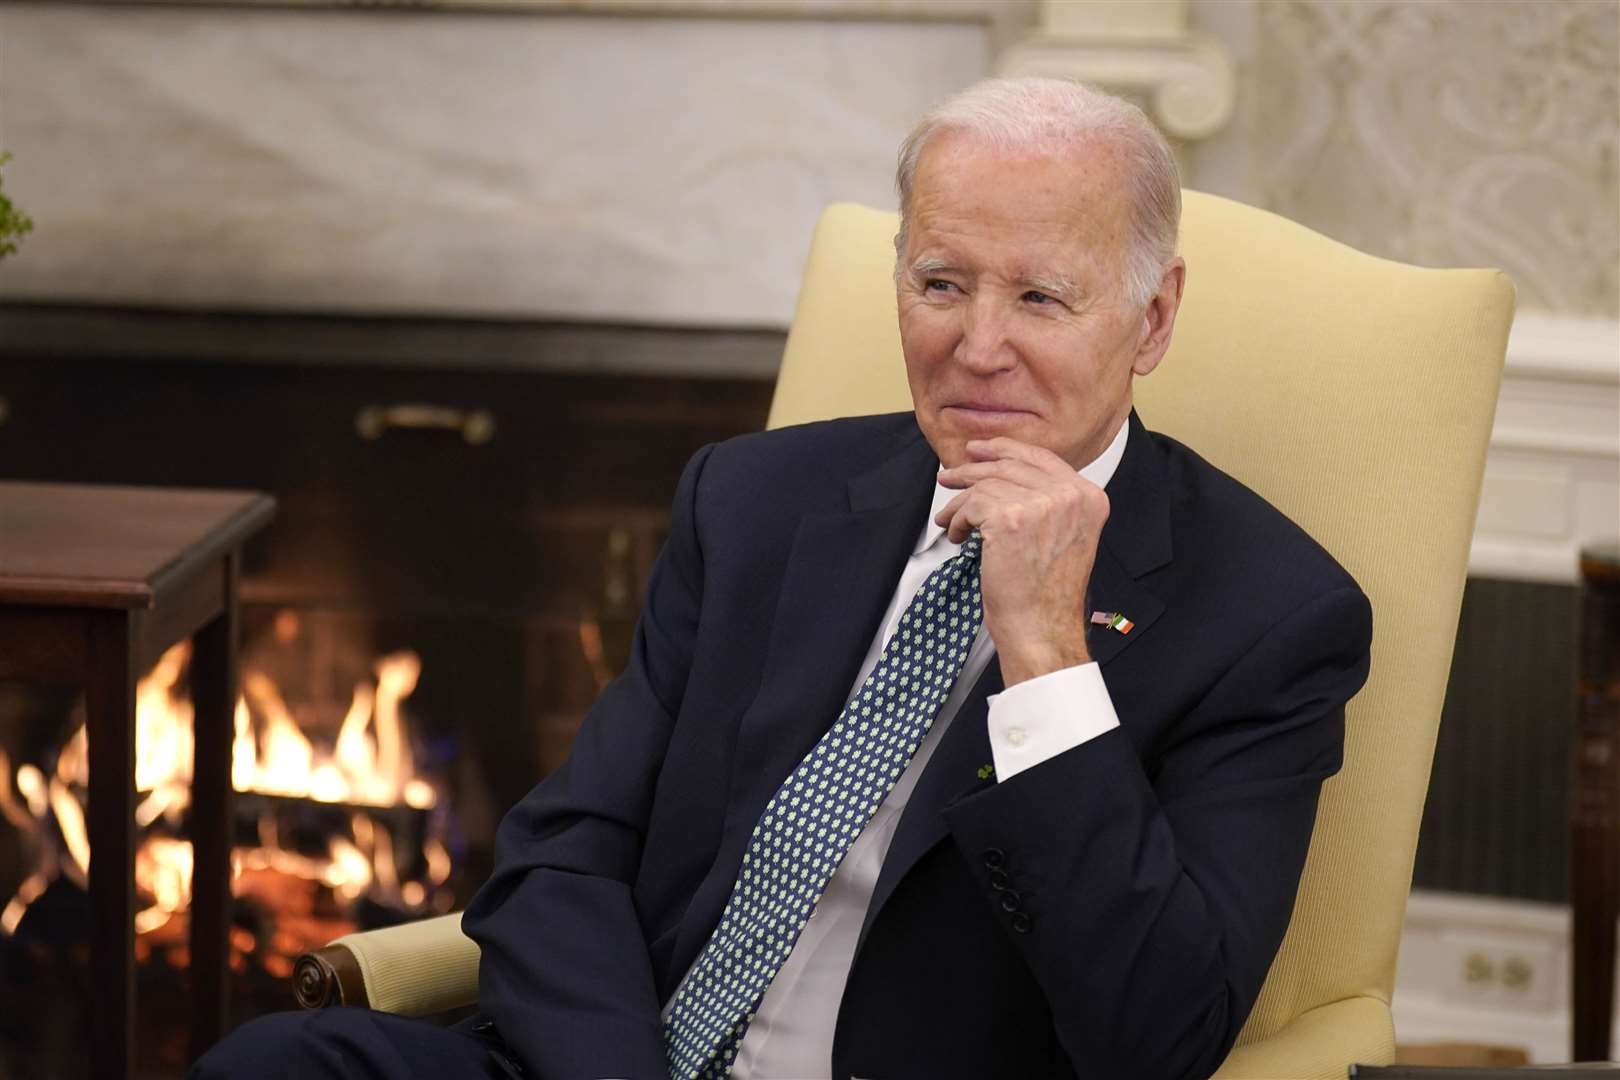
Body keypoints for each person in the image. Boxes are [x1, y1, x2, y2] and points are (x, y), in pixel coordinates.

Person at [193, 76, 1371, 1080]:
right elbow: (567, 851)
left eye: (1041, 298)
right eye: (942, 283)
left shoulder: (1268, 615)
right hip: (621, 1060)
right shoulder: (754, 499)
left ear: (1152, 318)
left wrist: (1048, 660)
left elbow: (1155, 1037)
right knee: (273, 1064)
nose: (977, 347)